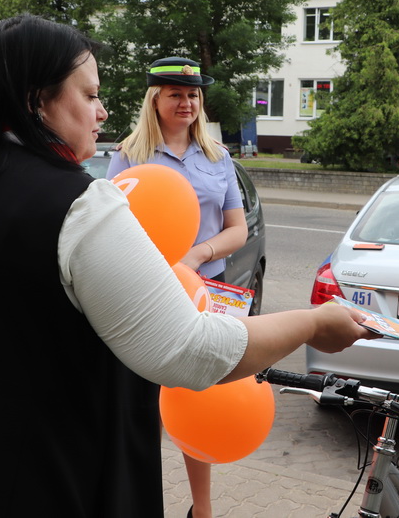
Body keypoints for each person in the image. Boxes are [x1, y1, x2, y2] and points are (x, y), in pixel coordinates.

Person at [0, 14, 375, 518]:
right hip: (16, 480)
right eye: (90, 95)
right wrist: (312, 323)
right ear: (36, 101)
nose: (101, 113)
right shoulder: (76, 205)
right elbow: (190, 351)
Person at [105, 57, 244, 518]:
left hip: (204, 289)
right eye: (175, 94)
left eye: (193, 95)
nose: (186, 102)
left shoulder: (218, 156)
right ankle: (133, 499)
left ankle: (201, 509)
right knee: (139, 402)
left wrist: (197, 255)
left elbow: (237, 229)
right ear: (155, 100)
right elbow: (108, 224)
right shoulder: (129, 156)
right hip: (145, 291)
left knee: (195, 398)